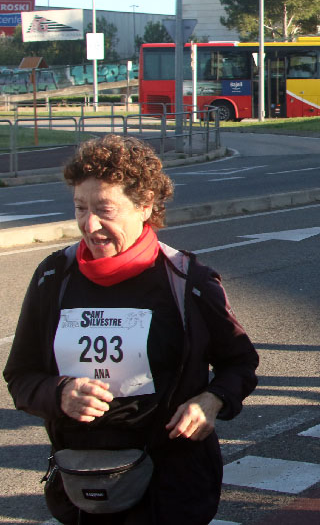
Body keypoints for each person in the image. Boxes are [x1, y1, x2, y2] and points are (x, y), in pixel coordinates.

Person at [3, 134, 259, 524]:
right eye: (79, 208)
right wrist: (59, 393)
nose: (90, 225)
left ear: (145, 206)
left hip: (171, 486)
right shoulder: (53, 278)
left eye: (105, 210)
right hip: (83, 484)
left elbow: (239, 363)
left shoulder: (188, 281)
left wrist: (213, 401)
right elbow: (20, 376)